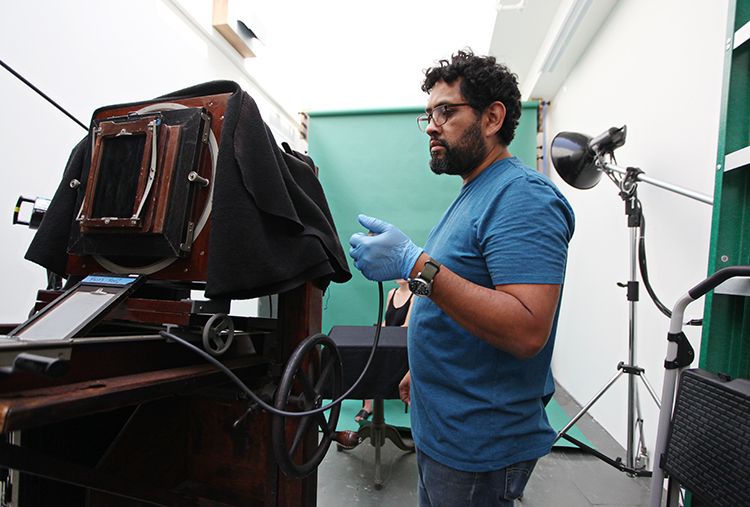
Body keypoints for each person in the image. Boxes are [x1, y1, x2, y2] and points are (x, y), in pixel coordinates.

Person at [348, 49, 575, 507]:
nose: (432, 124)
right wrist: (424, 369)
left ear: (492, 118)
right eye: (429, 114)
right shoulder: (474, 190)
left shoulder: (522, 197)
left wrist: (415, 264)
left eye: (446, 111)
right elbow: (462, 294)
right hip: (442, 423)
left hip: (479, 443)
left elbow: (527, 328)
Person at [355, 279, 413, 422]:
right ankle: (367, 406)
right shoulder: (391, 293)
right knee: (368, 355)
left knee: (376, 357)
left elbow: (406, 326)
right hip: (388, 341)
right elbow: (386, 322)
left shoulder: (415, 295)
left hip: (402, 345)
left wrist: (386, 337)